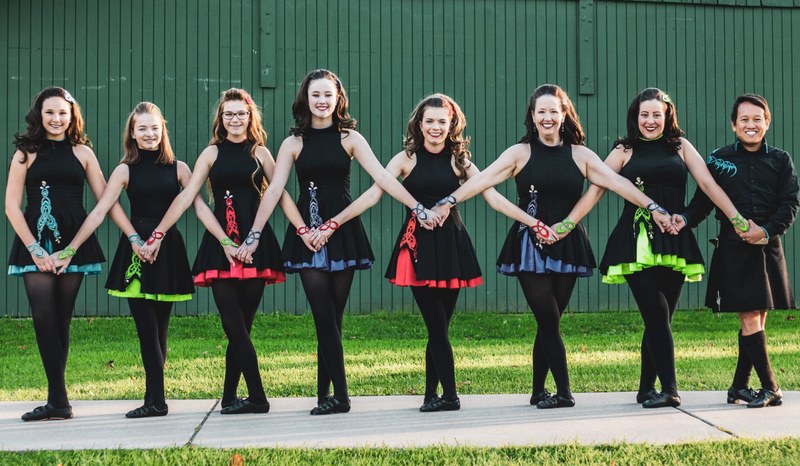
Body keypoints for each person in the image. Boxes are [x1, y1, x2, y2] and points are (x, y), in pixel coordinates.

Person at [432, 84, 673, 409]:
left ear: (564, 115)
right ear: (532, 116)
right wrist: (449, 200)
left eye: (553, 111)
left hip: (567, 243)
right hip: (529, 244)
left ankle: (537, 391)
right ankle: (563, 392)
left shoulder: (580, 154)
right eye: (541, 111)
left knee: (552, 320)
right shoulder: (520, 153)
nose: (547, 117)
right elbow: (482, 179)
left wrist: (653, 207)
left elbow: (617, 182)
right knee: (547, 316)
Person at [235, 69, 441, 415]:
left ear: (338, 99)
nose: (321, 101)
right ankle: (339, 397)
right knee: (323, 316)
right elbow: (275, 189)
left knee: (334, 318)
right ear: (306, 98)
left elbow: (381, 179)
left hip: (341, 232)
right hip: (307, 234)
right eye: (316, 94)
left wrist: (417, 206)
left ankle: (325, 396)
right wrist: (266, 233)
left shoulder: (350, 139)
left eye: (328, 95)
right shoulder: (293, 143)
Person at [314, 94, 520, 411]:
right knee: (435, 325)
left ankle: (431, 396)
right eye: (430, 121)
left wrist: (532, 223)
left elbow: (491, 194)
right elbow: (373, 194)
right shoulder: (406, 159)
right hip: (416, 249)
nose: (435, 127)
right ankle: (448, 396)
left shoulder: (460, 161)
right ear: (419, 124)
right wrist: (334, 223)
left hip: (452, 246)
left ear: (452, 124)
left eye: (442, 121)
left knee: (439, 328)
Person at [568, 88, 746, 408]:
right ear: (635, 118)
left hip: (675, 237)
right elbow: (597, 188)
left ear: (667, 116)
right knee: (657, 313)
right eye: (644, 115)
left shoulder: (680, 146)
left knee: (659, 319)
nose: (650, 121)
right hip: (636, 240)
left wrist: (734, 219)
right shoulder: (624, 150)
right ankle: (670, 389)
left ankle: (645, 388)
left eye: (656, 115)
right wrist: (569, 222)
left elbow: (707, 184)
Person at [140, 88, 302, 415]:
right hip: (221, 247)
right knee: (232, 324)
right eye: (228, 114)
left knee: (243, 325)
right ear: (221, 118)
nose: (235, 119)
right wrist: (159, 233)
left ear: (250, 116)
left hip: (257, 245)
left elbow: (279, 195)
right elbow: (189, 199)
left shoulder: (261, 153)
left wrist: (295, 230)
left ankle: (231, 398)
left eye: (241, 113)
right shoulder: (211, 153)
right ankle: (256, 396)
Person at [53, 102, 200, 418]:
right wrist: (71, 249)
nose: (149, 134)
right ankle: (157, 401)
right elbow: (101, 210)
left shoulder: (180, 168)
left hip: (167, 250)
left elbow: (192, 202)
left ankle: (155, 398)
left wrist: (160, 234)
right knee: (146, 329)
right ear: (132, 134)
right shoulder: (124, 170)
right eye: (142, 128)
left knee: (160, 330)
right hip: (135, 253)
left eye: (154, 127)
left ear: (163, 130)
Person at [6, 87, 124, 421]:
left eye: (62, 113)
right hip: (35, 242)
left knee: (61, 319)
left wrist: (73, 248)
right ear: (38, 116)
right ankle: (59, 399)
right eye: (49, 113)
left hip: (75, 242)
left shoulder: (83, 152)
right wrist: (35, 249)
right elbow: (11, 206)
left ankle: (57, 401)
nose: (56, 119)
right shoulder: (25, 153)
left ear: (72, 115)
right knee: (43, 319)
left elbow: (104, 200)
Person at [676, 93, 799, 408]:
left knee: (759, 318)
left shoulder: (781, 160)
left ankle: (738, 387)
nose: (751, 125)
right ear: (733, 125)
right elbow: (703, 201)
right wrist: (684, 220)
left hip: (768, 247)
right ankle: (771, 387)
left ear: (767, 122)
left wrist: (767, 231)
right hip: (733, 250)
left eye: (757, 119)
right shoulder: (718, 159)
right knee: (749, 318)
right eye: (744, 119)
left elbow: (790, 204)